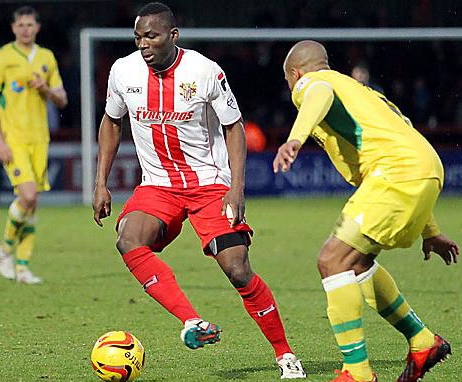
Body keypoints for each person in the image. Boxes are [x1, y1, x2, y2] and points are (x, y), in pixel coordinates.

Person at [92, 2, 305, 379]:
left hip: (209, 184)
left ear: (173, 36)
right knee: (128, 239)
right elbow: (112, 121)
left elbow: (234, 126)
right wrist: (100, 183)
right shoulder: (123, 71)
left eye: (152, 36)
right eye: (138, 36)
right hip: (159, 185)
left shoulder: (204, 71)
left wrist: (236, 188)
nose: (143, 44)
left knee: (237, 270)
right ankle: (192, 321)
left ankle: (285, 355)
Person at [273, 40, 459, 382]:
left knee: (332, 260)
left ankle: (357, 372)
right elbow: (404, 138)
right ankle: (423, 340)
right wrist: (430, 231)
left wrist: (295, 138)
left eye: (290, 82)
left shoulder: (312, 83)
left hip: (396, 172)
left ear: (295, 72)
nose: (293, 89)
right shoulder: (364, 92)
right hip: (424, 168)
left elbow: (317, 93)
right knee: (357, 263)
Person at [0, 6, 68, 284]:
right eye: (21, 25)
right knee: (28, 196)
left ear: (37, 28)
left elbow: (62, 100)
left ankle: (22, 266)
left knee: (33, 203)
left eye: (30, 24)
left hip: (39, 138)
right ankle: (6, 249)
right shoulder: (1, 57)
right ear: (13, 28)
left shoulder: (46, 57)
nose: (26, 29)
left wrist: (45, 89)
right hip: (14, 138)